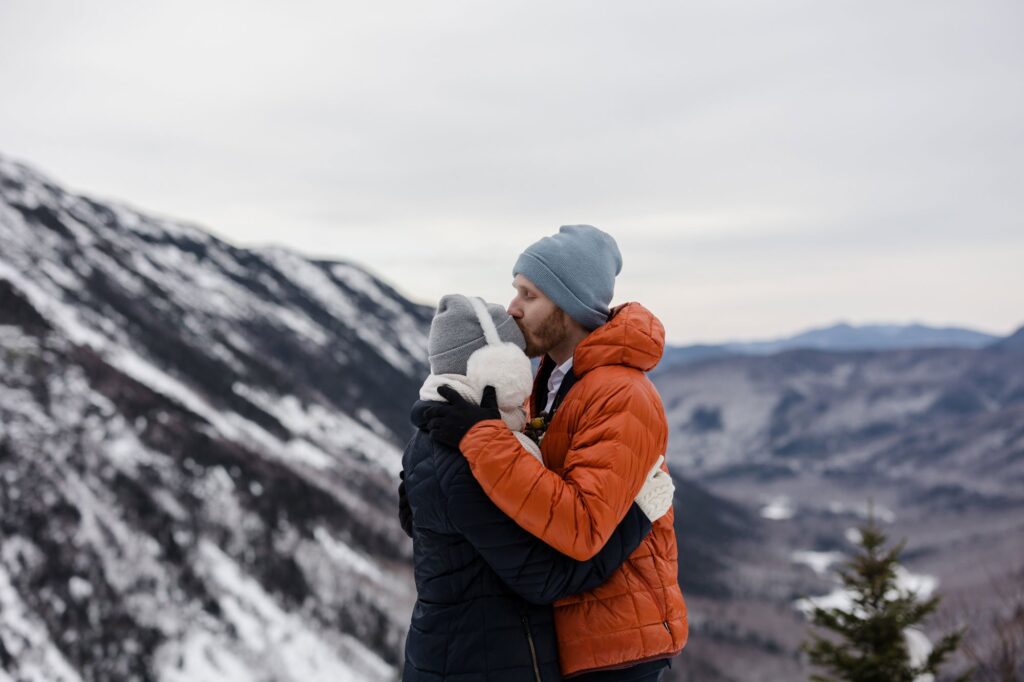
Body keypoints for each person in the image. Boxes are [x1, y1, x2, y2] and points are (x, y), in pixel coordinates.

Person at [424, 225, 688, 681]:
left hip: (617, 646)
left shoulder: (621, 394)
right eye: (515, 291)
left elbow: (582, 527)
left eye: (529, 294)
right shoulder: (549, 385)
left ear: (567, 305)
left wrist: (480, 438)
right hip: (569, 634)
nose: (513, 307)